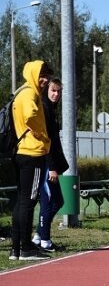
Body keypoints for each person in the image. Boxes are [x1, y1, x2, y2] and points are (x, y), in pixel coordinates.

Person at [9, 60, 53, 261]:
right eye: (41, 75)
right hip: (32, 153)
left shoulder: (22, 93)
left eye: (47, 77)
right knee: (28, 201)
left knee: (21, 201)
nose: (44, 80)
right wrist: (43, 135)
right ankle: (26, 247)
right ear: (33, 74)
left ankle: (16, 248)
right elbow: (30, 115)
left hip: (21, 153)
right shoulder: (30, 94)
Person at [33, 77, 68, 253]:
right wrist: (52, 167)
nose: (56, 94)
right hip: (46, 164)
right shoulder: (44, 109)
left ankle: (39, 235)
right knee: (49, 202)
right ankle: (44, 240)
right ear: (46, 90)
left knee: (58, 201)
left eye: (59, 91)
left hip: (51, 164)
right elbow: (46, 142)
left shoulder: (51, 110)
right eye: (53, 90)